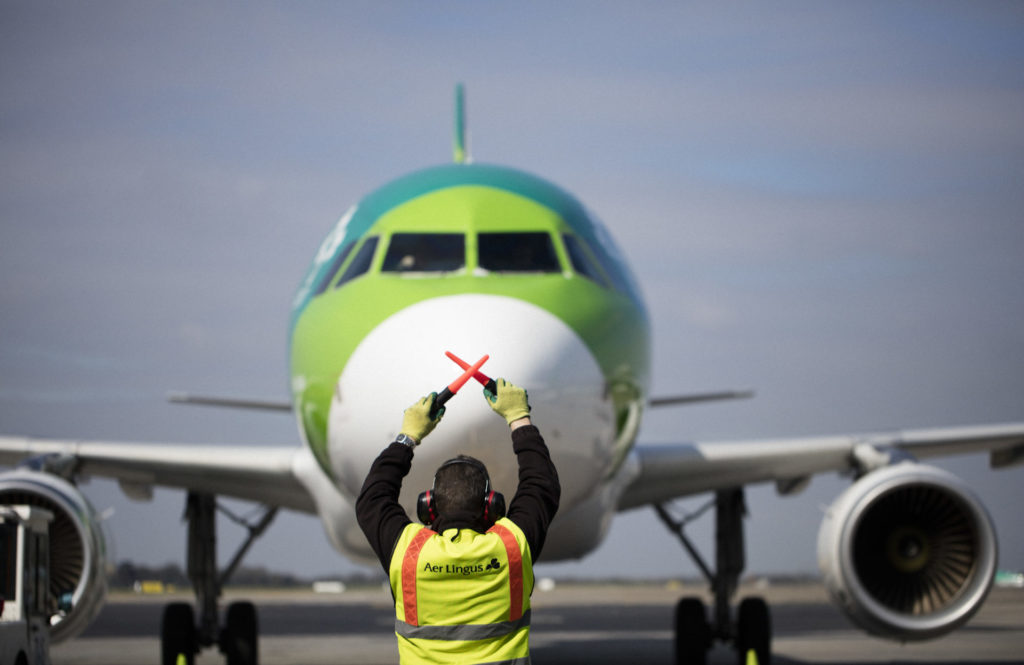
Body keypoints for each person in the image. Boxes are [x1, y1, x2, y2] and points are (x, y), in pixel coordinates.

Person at [356, 378, 560, 665]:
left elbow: (372, 498)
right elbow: (541, 485)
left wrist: (408, 436)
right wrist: (518, 418)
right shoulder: (510, 546)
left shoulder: (408, 553)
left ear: (429, 506)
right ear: (492, 506)